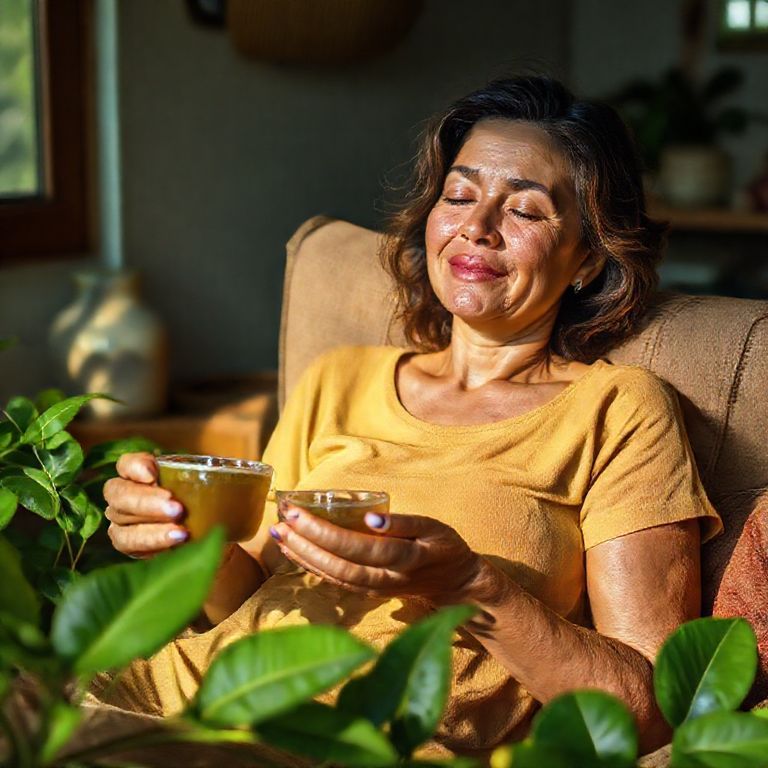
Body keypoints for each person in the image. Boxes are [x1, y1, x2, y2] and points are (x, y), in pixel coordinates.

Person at [99, 76, 721, 758]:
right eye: (458, 195)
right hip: (164, 702)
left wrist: (467, 585)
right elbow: (241, 600)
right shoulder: (338, 379)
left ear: (587, 257)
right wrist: (180, 532)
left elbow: (651, 711)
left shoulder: (618, 410)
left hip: (350, 744)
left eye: (527, 211)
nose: (476, 227)